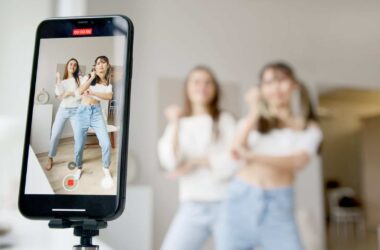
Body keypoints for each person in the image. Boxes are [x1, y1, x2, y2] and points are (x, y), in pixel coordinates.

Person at [217, 62, 323, 250]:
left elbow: (297, 162)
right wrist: (254, 112)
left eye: (280, 80)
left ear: (294, 85)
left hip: (278, 206)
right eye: (267, 82)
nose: (275, 87)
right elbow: (233, 154)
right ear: (261, 89)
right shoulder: (251, 122)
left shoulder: (309, 128)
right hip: (239, 201)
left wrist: (252, 156)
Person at [158, 66, 237, 250]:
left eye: (208, 82)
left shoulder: (225, 120)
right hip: (191, 205)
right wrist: (175, 121)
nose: (202, 86)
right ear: (187, 87)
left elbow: (233, 162)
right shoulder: (180, 123)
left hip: (225, 204)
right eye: (196, 82)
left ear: (215, 88)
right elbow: (170, 161)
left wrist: (194, 161)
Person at [73, 55, 113, 185]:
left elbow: (109, 96)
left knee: (106, 143)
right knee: (79, 146)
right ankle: (79, 167)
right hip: (82, 112)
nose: (100, 65)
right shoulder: (88, 78)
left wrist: (93, 93)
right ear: (95, 67)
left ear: (107, 65)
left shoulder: (108, 83)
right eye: (98, 63)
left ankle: (105, 168)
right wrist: (91, 78)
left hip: (96, 113)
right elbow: (79, 91)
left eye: (103, 62)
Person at [45, 58, 81, 171]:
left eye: (75, 65)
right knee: (55, 134)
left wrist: (69, 93)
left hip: (76, 110)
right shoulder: (62, 80)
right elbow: (59, 94)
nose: (73, 66)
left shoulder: (79, 79)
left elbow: (79, 95)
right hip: (63, 109)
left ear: (76, 68)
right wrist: (58, 79)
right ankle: (50, 157)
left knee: (79, 136)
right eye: (71, 64)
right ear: (67, 66)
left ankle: (78, 159)